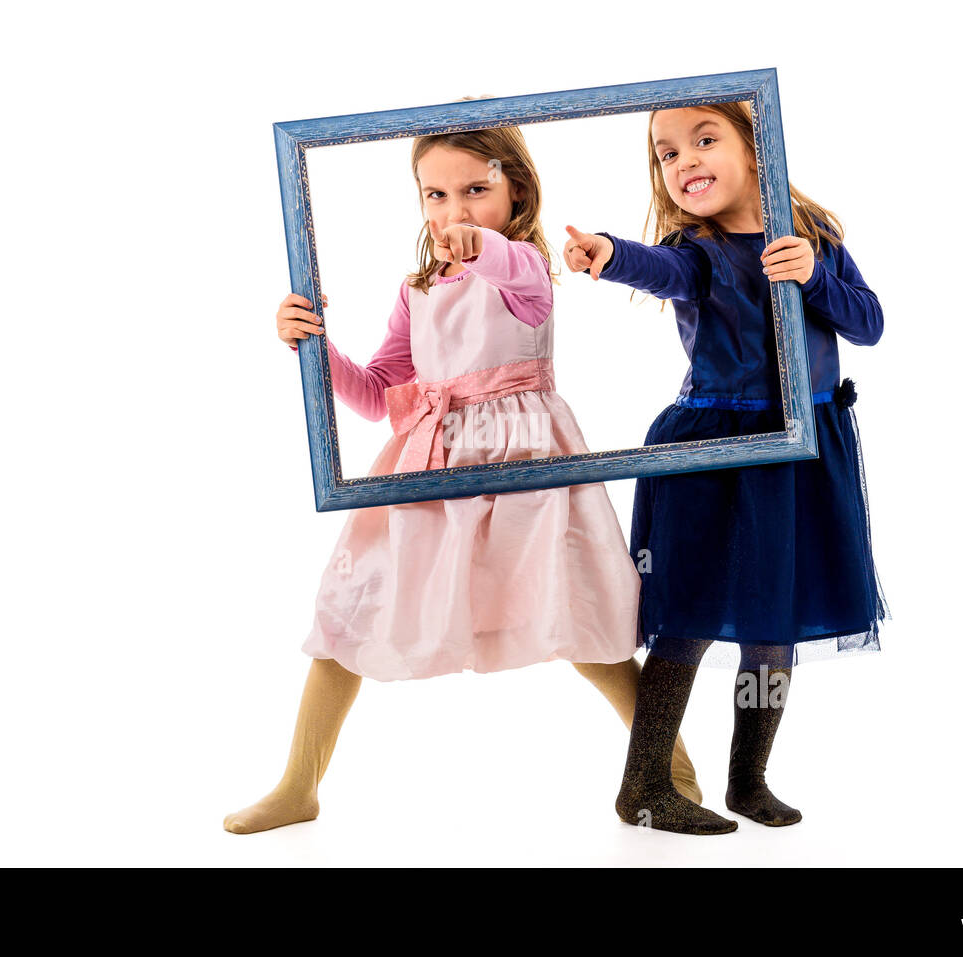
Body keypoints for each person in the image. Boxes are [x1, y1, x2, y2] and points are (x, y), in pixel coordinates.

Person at [224, 125, 701, 834]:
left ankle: (672, 770)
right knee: (348, 612)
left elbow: (511, 273)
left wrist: (484, 248)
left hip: (520, 467)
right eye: (437, 195)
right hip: (431, 470)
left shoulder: (529, 268)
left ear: (516, 191)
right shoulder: (416, 291)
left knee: (575, 619)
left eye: (476, 191)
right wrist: (315, 346)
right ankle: (299, 784)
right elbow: (375, 391)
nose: (455, 211)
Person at [564, 101, 889, 835]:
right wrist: (611, 254)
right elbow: (659, 269)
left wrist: (815, 276)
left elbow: (867, 323)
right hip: (713, 450)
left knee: (771, 623)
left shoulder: (816, 239)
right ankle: (644, 783)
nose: (683, 162)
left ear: (755, 147)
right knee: (689, 615)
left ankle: (749, 777)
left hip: (801, 450)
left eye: (703, 140)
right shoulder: (698, 251)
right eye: (667, 153)